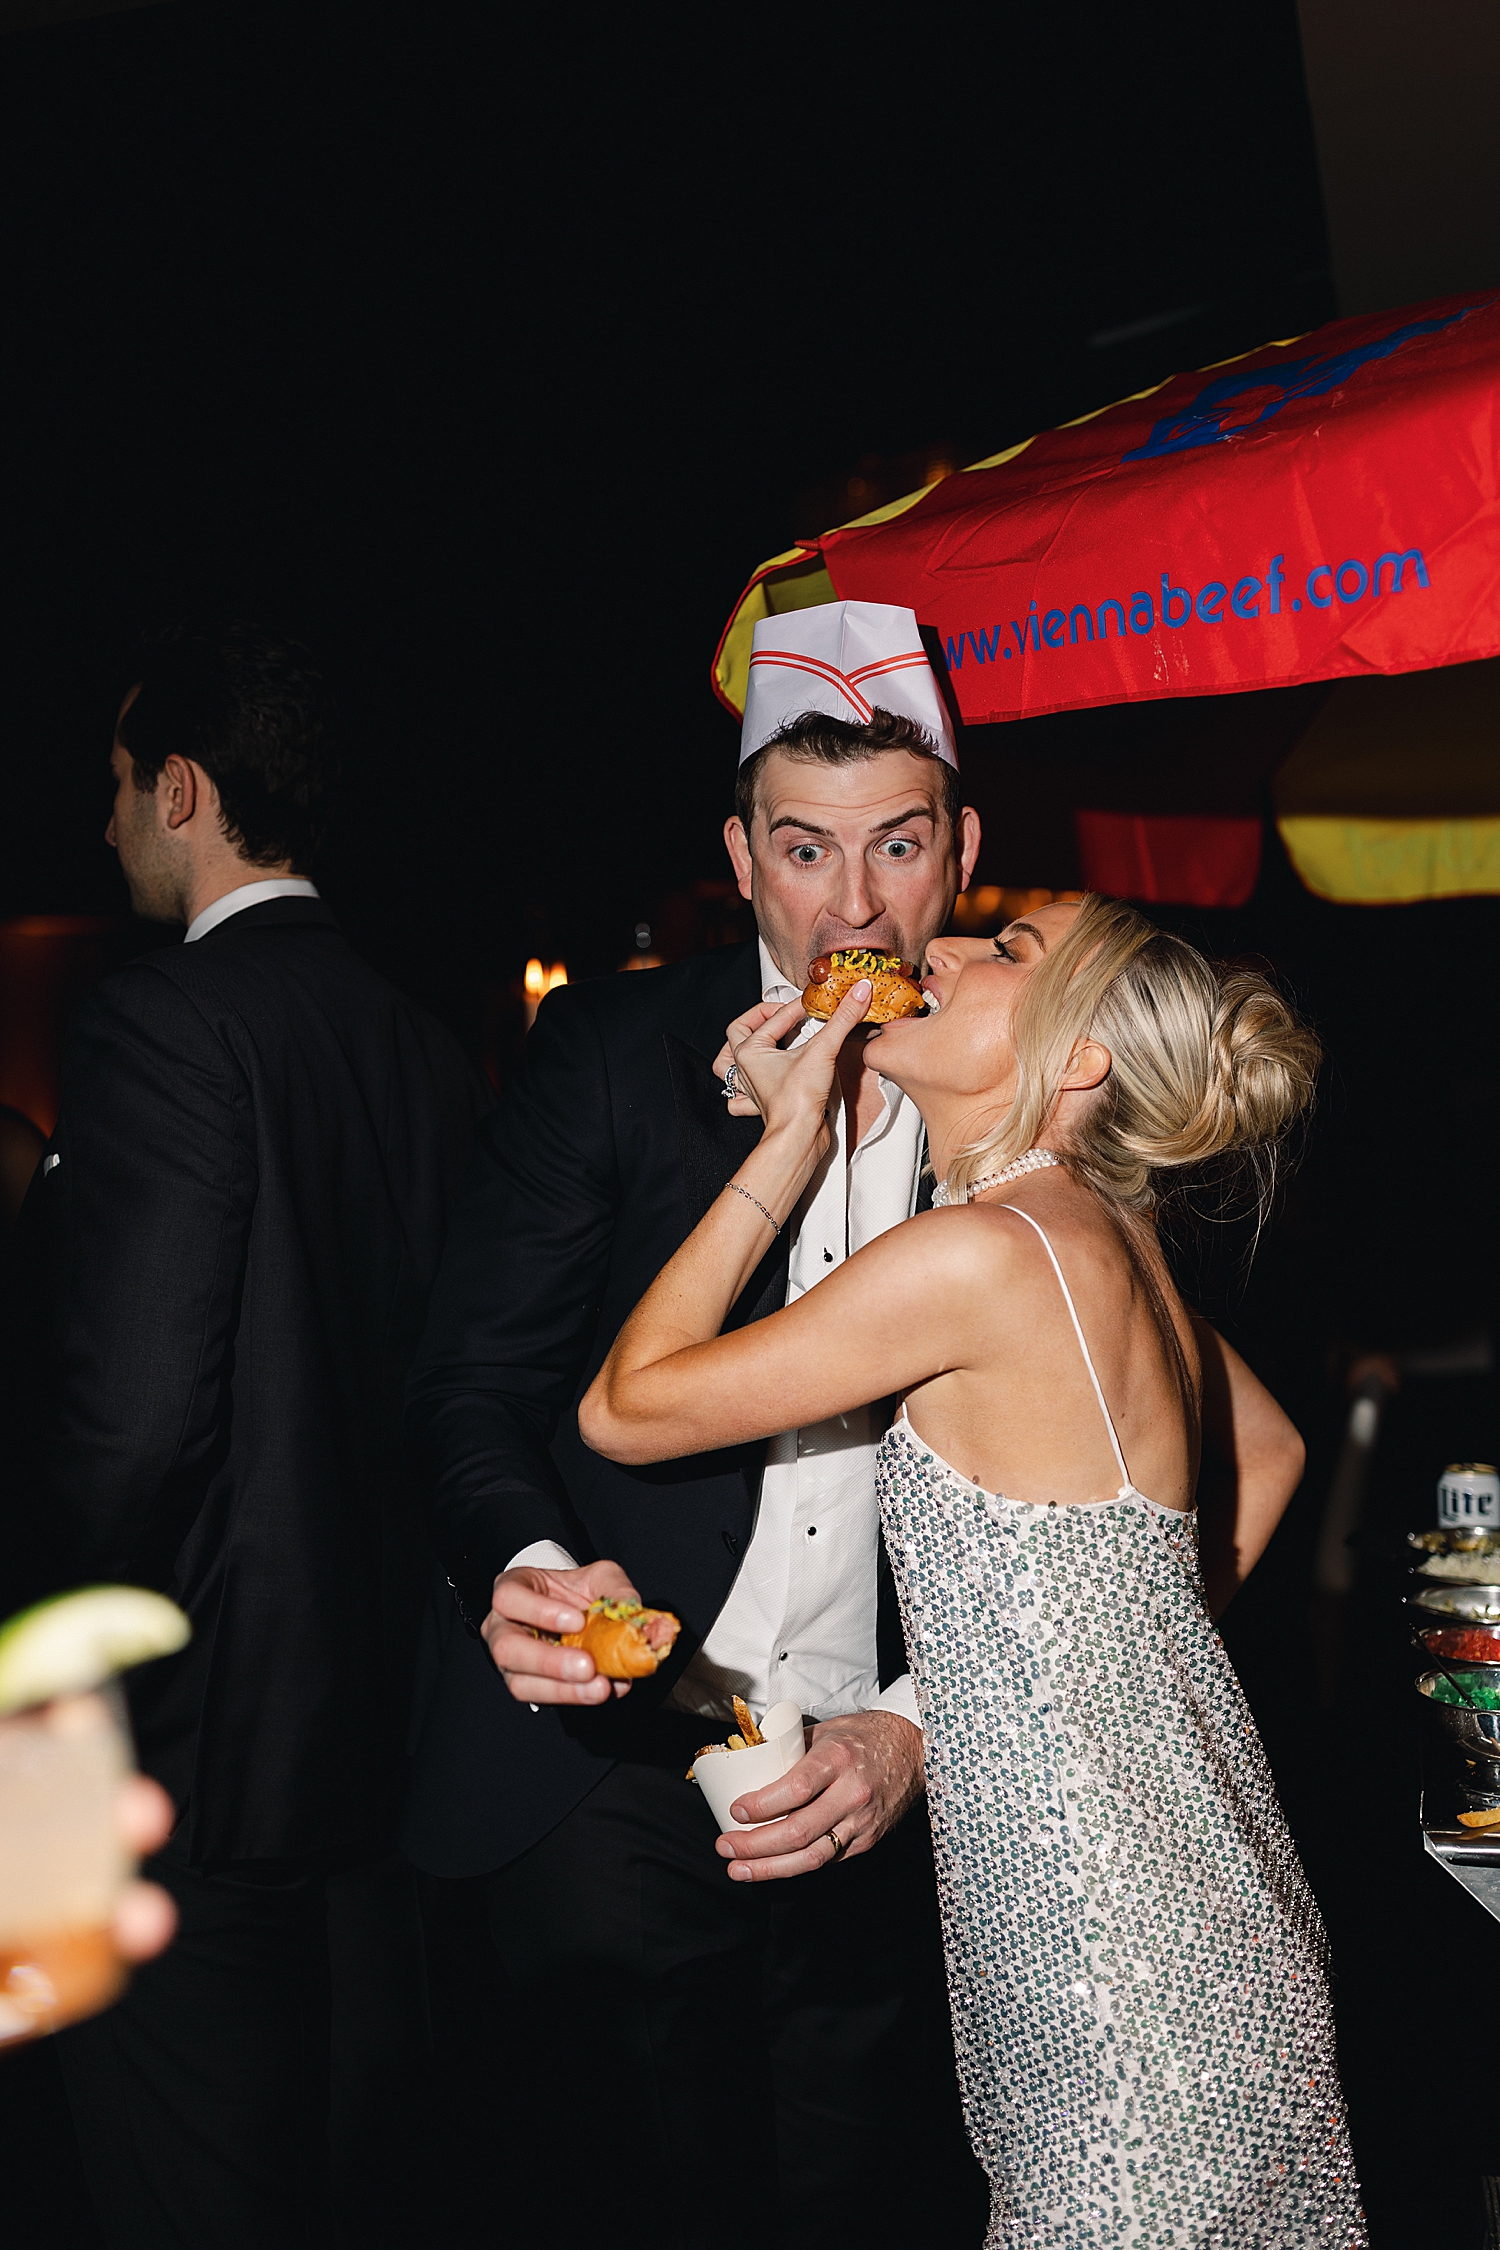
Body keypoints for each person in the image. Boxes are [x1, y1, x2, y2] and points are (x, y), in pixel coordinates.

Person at [580, 895, 1366, 2248]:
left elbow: (628, 1403)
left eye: (1008, 952)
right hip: (1207, 1939)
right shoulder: (1103, 1240)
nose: (935, 947)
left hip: (1118, 1999)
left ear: (1075, 1064)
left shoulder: (980, 1255)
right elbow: (1274, 1447)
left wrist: (787, 1140)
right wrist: (979, 1690)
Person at [403, 600, 991, 2244]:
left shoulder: (1016, 1081)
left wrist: (918, 1728)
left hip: (872, 1756)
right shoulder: (604, 1047)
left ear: (959, 851)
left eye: (898, 846)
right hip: (619, 1746)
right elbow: (467, 1386)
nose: (852, 906)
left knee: (855, 2189)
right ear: (740, 856)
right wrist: (531, 1566)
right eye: (806, 851)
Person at [2, 622, 492, 2248]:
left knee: (172, 2189)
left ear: (187, 790)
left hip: (185, 1741)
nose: (105, 823)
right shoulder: (427, 1049)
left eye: (120, 785)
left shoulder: (165, 1026)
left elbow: (126, 1428)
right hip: (383, 1735)